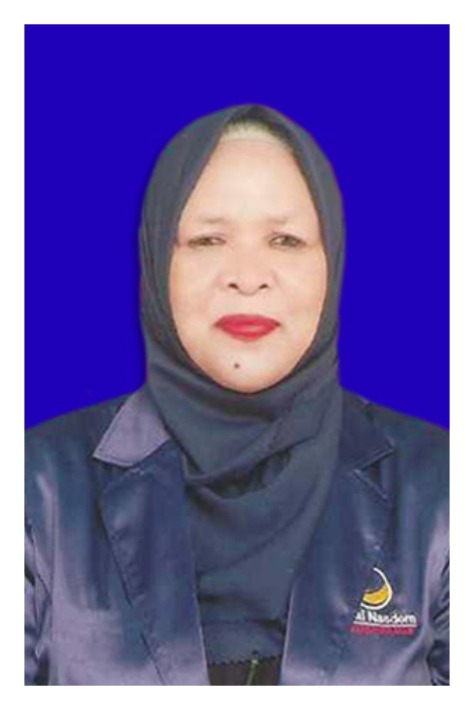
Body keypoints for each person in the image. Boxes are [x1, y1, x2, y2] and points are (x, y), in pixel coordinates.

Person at [25, 103, 449, 685]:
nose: (247, 276)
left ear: (332, 262)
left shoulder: (442, 487)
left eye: (285, 239)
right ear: (156, 262)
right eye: (207, 239)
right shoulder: (37, 487)